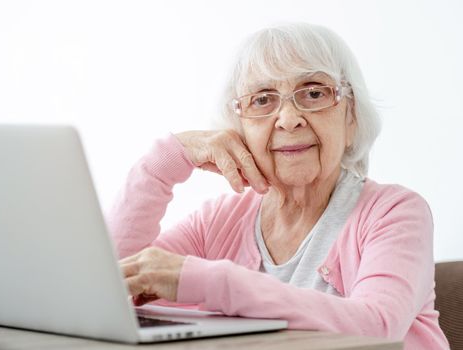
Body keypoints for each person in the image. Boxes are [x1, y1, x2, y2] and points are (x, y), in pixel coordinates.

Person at [107, 23, 449, 349]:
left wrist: (210, 281)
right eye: (262, 99)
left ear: (351, 116)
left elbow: (377, 328)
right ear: (238, 127)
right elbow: (109, 288)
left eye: (314, 92)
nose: (288, 118)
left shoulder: (395, 212)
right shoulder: (217, 222)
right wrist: (163, 164)